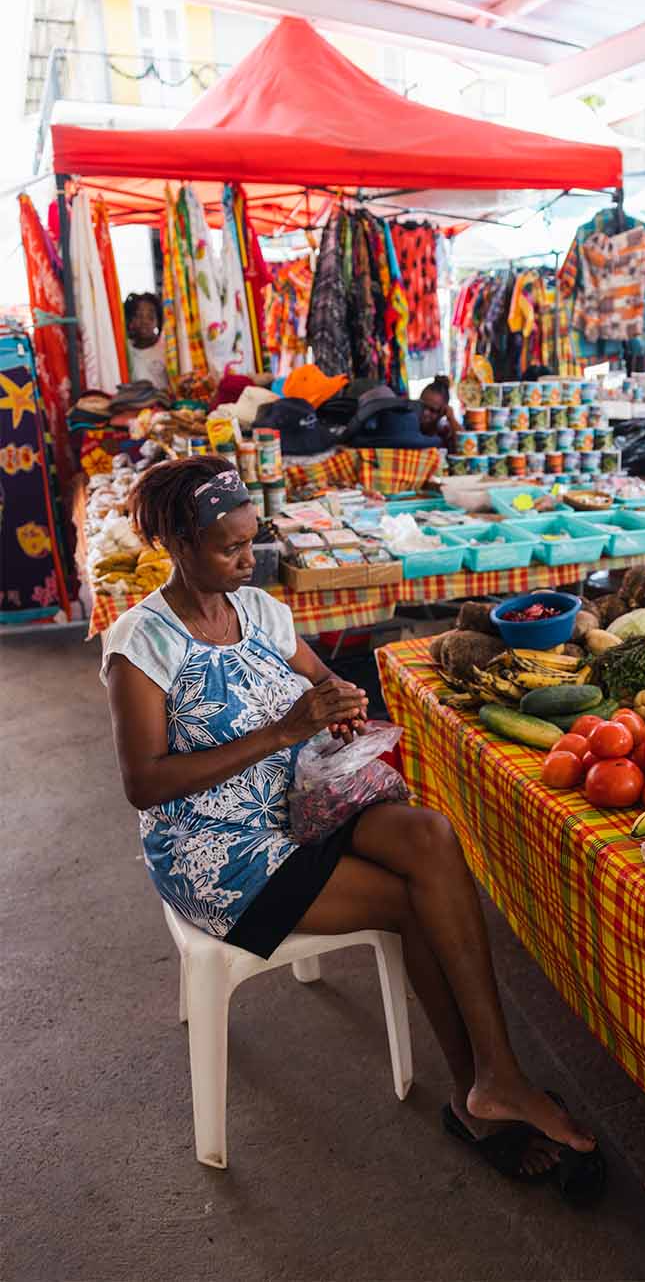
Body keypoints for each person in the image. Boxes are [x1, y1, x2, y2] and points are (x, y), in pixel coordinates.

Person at [102, 458, 601, 1197]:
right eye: (228, 548)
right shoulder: (141, 643)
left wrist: (337, 698)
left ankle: (497, 1075)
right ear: (178, 541)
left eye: (251, 542)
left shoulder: (263, 612)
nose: (247, 560)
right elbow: (143, 783)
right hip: (220, 850)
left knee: (430, 837)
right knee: (411, 900)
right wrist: (280, 732)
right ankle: (482, 1096)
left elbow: (316, 680)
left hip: (302, 803)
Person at [125, 292, 169, 389]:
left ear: (158, 321)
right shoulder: (125, 350)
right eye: (139, 315)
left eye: (150, 316)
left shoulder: (166, 348)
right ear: (131, 320)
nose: (144, 321)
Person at [417, 375, 457, 442]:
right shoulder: (408, 427)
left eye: (432, 410)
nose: (425, 412)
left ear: (443, 411)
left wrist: (451, 418)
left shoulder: (445, 432)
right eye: (422, 406)